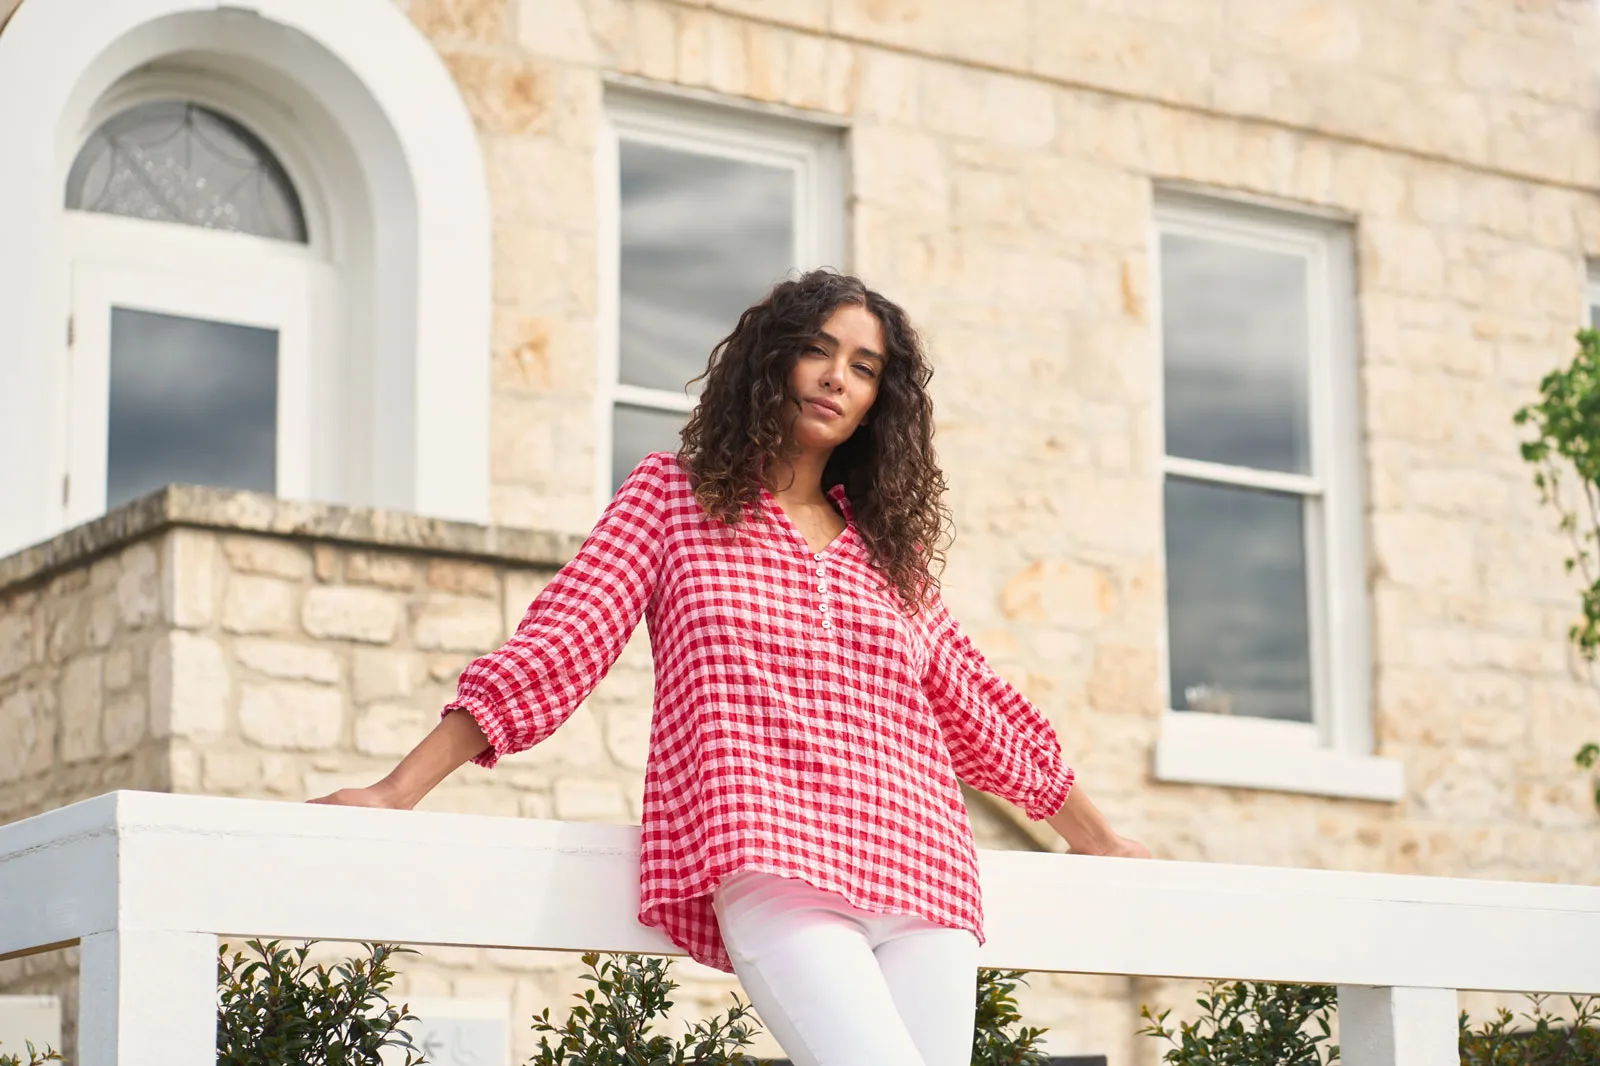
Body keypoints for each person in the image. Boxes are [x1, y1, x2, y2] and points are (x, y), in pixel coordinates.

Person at [312, 269, 1150, 1066]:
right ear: (771, 360)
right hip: (773, 858)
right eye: (818, 350)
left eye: (864, 368)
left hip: (924, 866)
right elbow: (560, 644)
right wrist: (399, 789)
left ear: (877, 404)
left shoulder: (888, 550)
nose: (837, 378)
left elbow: (976, 704)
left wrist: (1099, 839)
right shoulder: (672, 498)